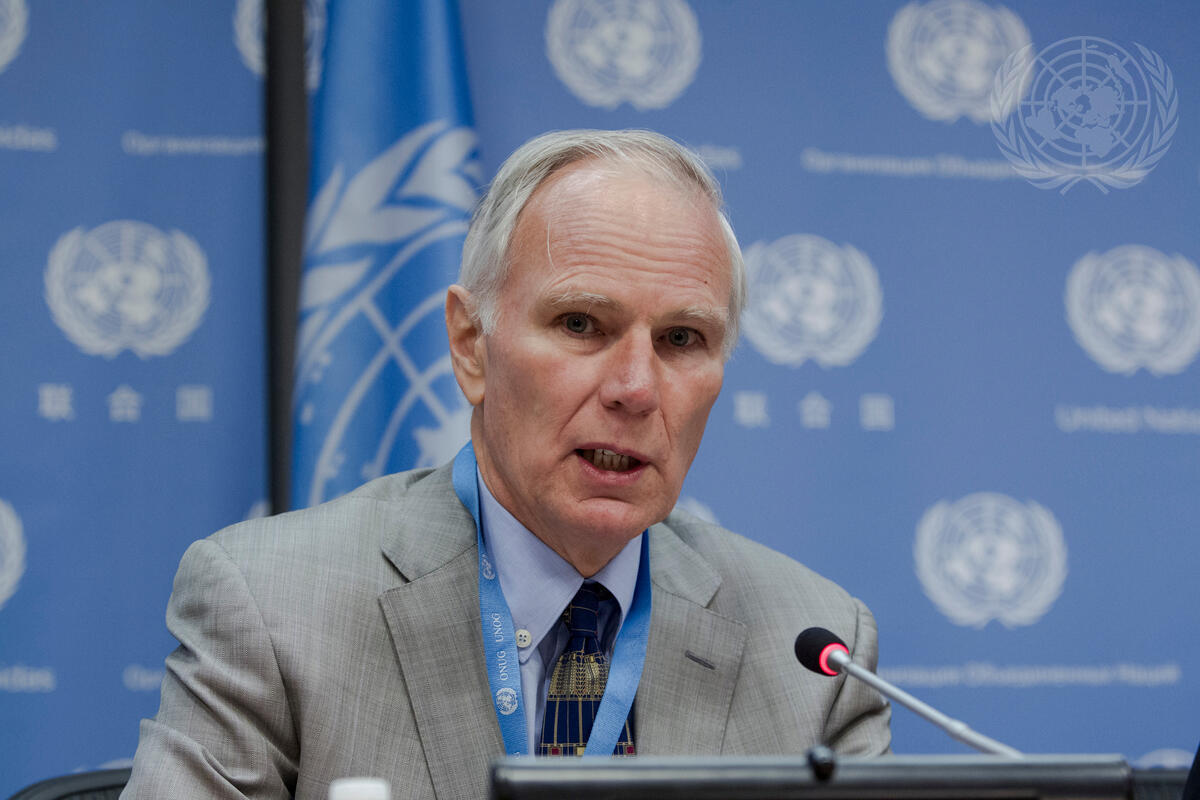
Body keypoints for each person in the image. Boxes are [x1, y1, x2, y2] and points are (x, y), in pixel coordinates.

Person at [122, 129, 890, 800]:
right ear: (470, 346)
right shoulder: (273, 606)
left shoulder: (815, 655)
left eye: (682, 339)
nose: (635, 388)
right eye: (581, 323)